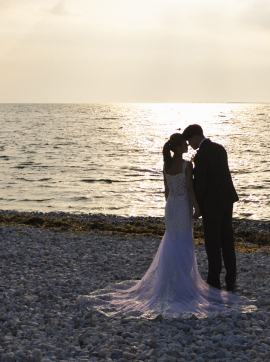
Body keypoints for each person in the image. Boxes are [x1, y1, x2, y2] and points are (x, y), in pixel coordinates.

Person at [81, 132, 254, 319]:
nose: (188, 145)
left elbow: (167, 191)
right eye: (184, 144)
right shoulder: (188, 165)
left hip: (171, 206)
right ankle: (188, 283)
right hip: (183, 206)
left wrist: (170, 207)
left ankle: (169, 283)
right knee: (185, 243)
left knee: (172, 241)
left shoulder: (167, 165)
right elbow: (189, 188)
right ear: (179, 147)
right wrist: (197, 207)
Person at [183, 123, 238, 291]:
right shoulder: (220, 149)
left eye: (190, 141)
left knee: (213, 242)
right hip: (226, 199)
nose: (190, 145)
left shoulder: (201, 155)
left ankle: (214, 280)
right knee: (227, 239)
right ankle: (231, 279)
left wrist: (197, 206)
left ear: (196, 137)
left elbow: (201, 183)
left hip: (211, 204)